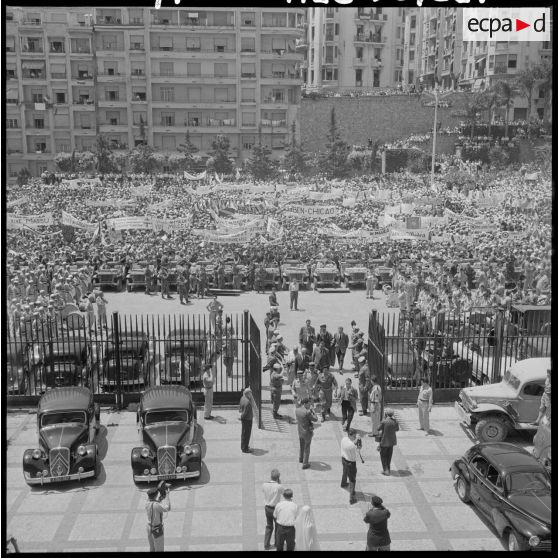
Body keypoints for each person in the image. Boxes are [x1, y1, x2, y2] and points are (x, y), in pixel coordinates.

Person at [146, 482, 171, 552]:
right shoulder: (157, 505)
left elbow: (153, 502)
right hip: (157, 529)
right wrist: (167, 495)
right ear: (156, 495)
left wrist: (160, 499)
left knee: (152, 548)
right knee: (159, 550)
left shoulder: (147, 503)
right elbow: (168, 508)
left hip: (149, 528)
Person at [263, 469, 284, 550]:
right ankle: (276, 543)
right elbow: (284, 493)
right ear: (278, 477)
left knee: (269, 526)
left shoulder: (264, 484)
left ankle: (266, 544)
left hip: (267, 508)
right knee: (278, 527)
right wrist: (279, 483)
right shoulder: (279, 486)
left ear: (270, 476)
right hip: (275, 509)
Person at [295, 398, 317, 469]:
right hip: (307, 432)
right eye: (309, 403)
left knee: (302, 446)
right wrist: (313, 412)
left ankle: (301, 458)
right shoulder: (307, 412)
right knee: (307, 448)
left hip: (300, 431)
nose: (310, 404)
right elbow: (315, 419)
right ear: (305, 404)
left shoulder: (297, 410)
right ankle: (305, 463)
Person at [340, 428, 361, 505]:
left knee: (344, 472)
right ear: (351, 435)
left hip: (343, 459)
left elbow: (351, 442)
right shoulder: (352, 446)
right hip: (351, 463)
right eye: (354, 435)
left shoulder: (344, 439)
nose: (355, 437)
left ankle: (343, 483)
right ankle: (352, 498)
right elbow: (359, 449)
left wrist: (355, 440)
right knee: (352, 480)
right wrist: (359, 441)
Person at [377, 408, 399, 476]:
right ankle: (388, 468)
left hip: (384, 441)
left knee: (383, 456)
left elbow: (378, 428)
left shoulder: (384, 421)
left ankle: (386, 470)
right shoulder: (395, 421)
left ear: (386, 414)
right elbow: (397, 429)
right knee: (389, 456)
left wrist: (383, 420)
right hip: (391, 442)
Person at [239, 387, 254, 453]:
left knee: (244, 433)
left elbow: (240, 409)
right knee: (247, 434)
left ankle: (244, 446)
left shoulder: (242, 398)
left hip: (245, 419)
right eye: (250, 393)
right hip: (247, 420)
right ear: (247, 394)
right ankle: (245, 448)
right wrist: (241, 417)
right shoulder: (248, 402)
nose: (251, 395)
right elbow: (245, 412)